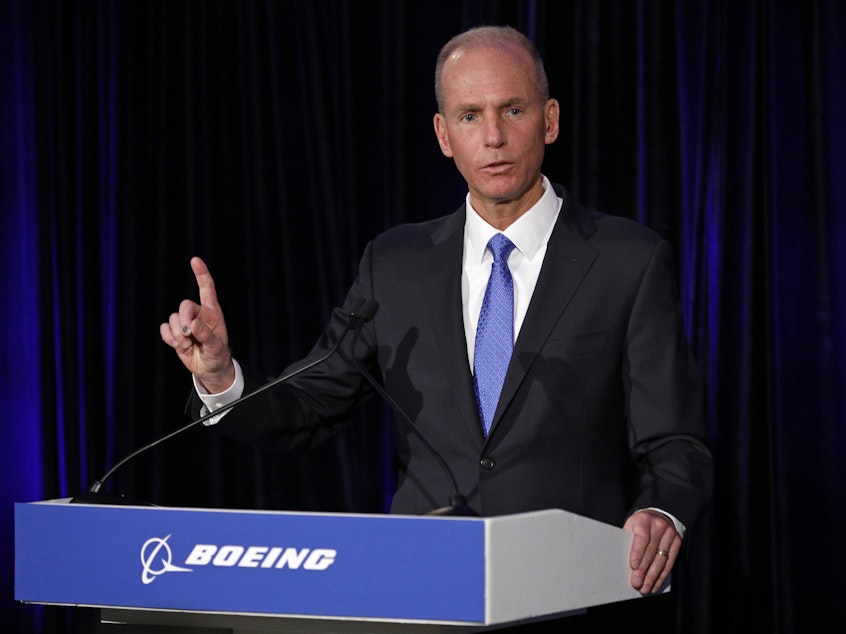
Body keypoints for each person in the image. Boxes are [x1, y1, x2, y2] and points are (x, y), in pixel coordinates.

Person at [161, 25, 712, 630]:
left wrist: (662, 509)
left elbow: (674, 441)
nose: (494, 137)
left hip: (569, 596)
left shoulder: (626, 260)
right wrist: (219, 375)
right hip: (421, 598)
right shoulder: (395, 265)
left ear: (550, 120)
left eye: (514, 110)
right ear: (444, 135)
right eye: (470, 116)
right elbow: (308, 407)